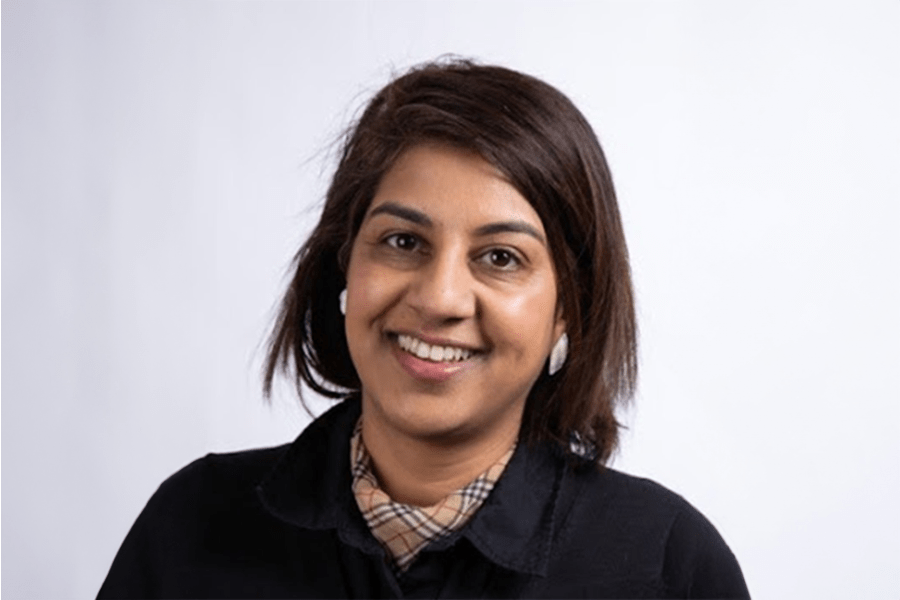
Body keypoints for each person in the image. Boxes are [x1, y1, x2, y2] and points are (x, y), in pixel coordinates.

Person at [98, 58, 750, 599]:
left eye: (500, 257)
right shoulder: (192, 527)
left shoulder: (667, 566)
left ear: (568, 310)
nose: (439, 299)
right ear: (343, 267)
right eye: (403, 241)